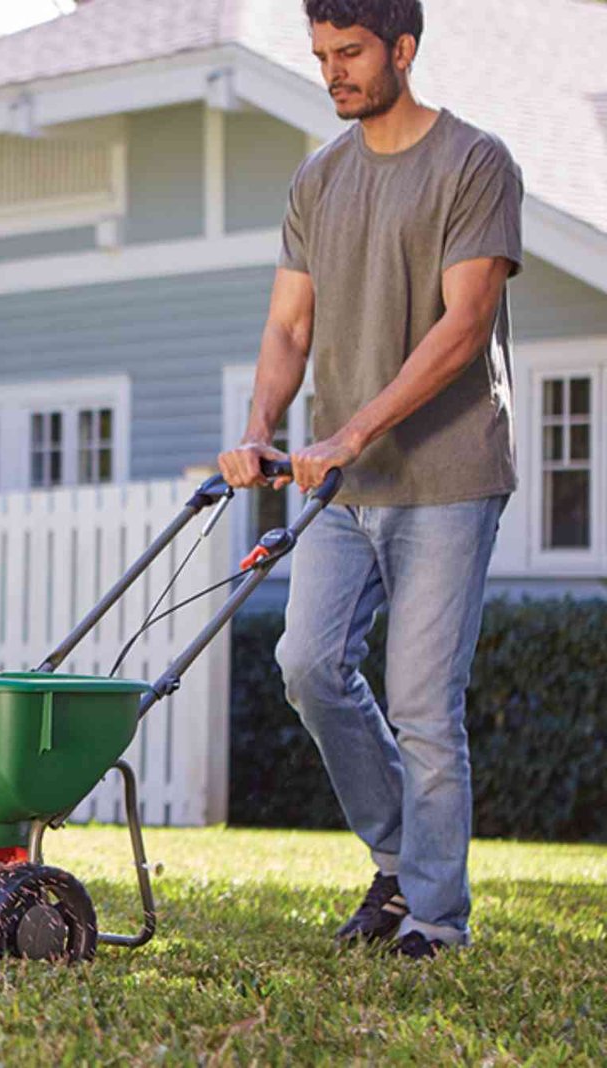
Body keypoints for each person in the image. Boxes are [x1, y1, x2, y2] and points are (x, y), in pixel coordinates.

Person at [217, 0, 523, 961]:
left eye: (350, 53)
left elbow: (463, 324)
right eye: (320, 55)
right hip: (341, 487)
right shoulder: (318, 178)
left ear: (403, 48)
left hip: (448, 472)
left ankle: (436, 919)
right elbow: (289, 327)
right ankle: (401, 863)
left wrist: (353, 426)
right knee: (307, 668)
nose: (333, 71)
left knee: (425, 704)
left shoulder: (475, 163)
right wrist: (259, 429)